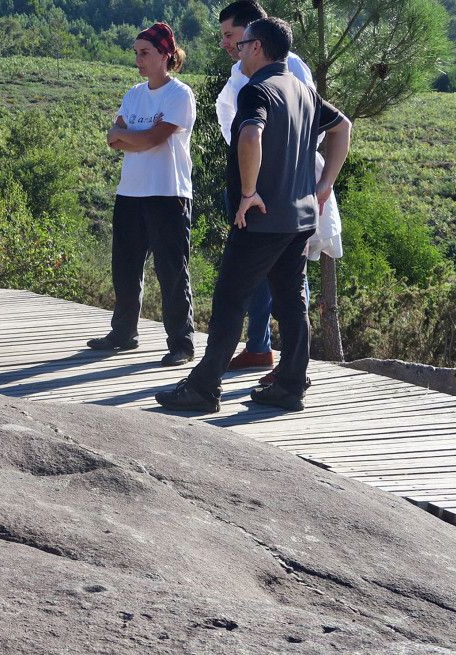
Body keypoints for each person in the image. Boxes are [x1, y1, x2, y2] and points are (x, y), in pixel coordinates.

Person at [155, 17, 351, 413]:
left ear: (258, 47)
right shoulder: (302, 91)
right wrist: (325, 184)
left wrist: (248, 192)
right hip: (300, 219)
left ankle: (204, 388)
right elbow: (342, 127)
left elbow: (249, 135)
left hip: (263, 218)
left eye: (243, 44)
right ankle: (291, 385)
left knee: (230, 299)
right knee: (292, 303)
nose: (239, 51)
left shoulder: (256, 89)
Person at [215, 0, 343, 379]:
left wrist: (322, 184)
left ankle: (214, 379)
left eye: (232, 36)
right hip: (263, 187)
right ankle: (264, 353)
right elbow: (341, 125)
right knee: (282, 287)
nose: (227, 44)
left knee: (255, 290)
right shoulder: (242, 74)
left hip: (275, 189)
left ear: (256, 37)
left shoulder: (280, 73)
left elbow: (264, 133)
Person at [86, 23, 197, 367]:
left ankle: (181, 343)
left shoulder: (180, 95)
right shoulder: (134, 93)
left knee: (171, 271)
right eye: (136, 53)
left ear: (166, 54)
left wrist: (130, 134)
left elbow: (149, 140)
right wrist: (134, 134)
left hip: (168, 193)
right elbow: (112, 138)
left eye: (145, 53)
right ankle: (123, 333)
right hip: (130, 192)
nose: (138, 59)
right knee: (125, 267)